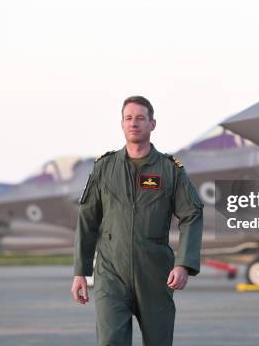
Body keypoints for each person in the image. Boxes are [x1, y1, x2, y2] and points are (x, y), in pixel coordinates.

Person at [71, 95, 204, 346]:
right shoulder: (104, 168)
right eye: (129, 118)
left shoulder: (170, 170)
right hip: (111, 272)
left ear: (152, 124)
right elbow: (87, 219)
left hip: (155, 274)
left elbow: (192, 214)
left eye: (140, 118)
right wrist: (81, 271)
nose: (134, 123)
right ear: (121, 124)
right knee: (111, 341)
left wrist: (184, 264)